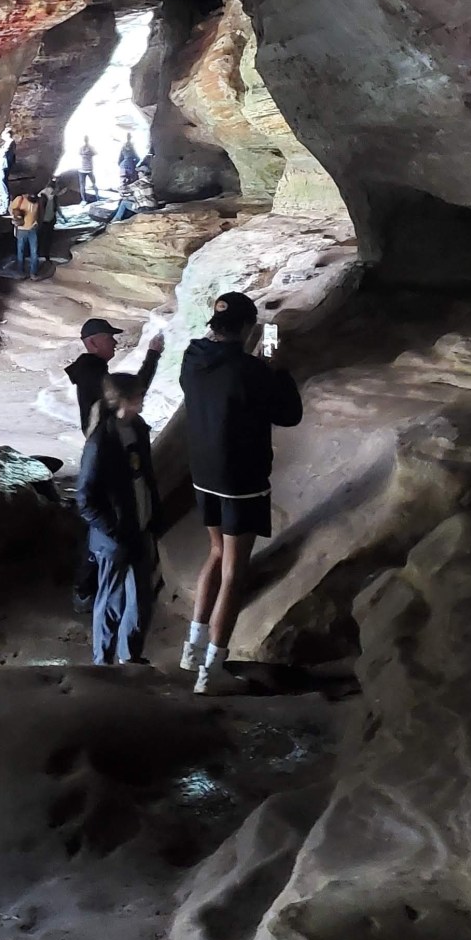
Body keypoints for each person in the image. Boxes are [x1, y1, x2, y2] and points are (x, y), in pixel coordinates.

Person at [179, 291, 302, 693]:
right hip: (240, 482)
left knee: (216, 551)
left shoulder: (192, 357)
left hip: (203, 475)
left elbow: (230, 375)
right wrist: (277, 369)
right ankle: (211, 670)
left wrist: (259, 364)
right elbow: (289, 414)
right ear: (248, 328)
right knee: (235, 569)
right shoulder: (252, 371)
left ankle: (191, 650)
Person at [76, 370, 163, 665]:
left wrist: (152, 517)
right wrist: (113, 531)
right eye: (139, 394)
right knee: (112, 601)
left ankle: (130, 657)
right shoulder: (100, 442)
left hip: (139, 528)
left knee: (141, 599)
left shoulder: (137, 429)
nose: (143, 398)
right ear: (123, 400)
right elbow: (85, 498)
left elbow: (145, 477)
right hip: (114, 539)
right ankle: (103, 663)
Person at [9, 184, 41, 277]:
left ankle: (33, 273)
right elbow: (11, 209)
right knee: (21, 251)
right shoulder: (20, 199)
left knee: (34, 252)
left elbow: (38, 213)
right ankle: (20, 272)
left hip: (32, 228)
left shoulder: (36, 200)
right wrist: (16, 216)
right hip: (22, 230)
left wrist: (37, 223)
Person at [36, 179, 59, 262]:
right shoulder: (51, 194)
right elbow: (55, 207)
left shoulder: (42, 194)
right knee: (47, 238)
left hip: (44, 219)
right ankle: (45, 254)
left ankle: (39, 253)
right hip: (48, 219)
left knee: (41, 237)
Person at [79, 137, 98, 201]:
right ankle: (97, 197)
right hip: (89, 168)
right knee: (94, 183)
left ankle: (84, 200)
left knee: (82, 185)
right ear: (88, 140)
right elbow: (96, 153)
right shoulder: (91, 148)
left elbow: (79, 153)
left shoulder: (81, 148)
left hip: (82, 168)